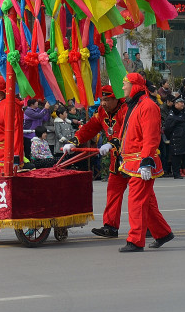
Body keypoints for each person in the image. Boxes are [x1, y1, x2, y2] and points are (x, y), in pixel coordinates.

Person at [62, 85, 129, 238]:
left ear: (116, 98)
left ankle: (151, 226)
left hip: (133, 159)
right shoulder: (101, 112)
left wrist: (112, 144)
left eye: (107, 100)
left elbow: (129, 133)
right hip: (116, 161)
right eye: (102, 100)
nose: (103, 103)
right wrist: (74, 141)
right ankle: (110, 226)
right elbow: (90, 128)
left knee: (142, 195)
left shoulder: (126, 110)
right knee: (113, 192)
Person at [117, 73, 173, 252]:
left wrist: (146, 160)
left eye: (125, 84)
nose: (123, 87)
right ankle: (163, 233)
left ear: (135, 86)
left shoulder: (148, 106)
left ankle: (135, 240)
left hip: (141, 162)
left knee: (136, 202)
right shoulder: (135, 105)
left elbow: (151, 136)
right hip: (133, 161)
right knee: (146, 202)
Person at [163, 96, 185, 178]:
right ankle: (176, 174)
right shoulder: (172, 115)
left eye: (182, 102)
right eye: (180, 102)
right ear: (175, 104)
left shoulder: (183, 112)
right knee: (176, 158)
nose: (182, 104)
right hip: (177, 139)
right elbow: (167, 129)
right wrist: (173, 136)